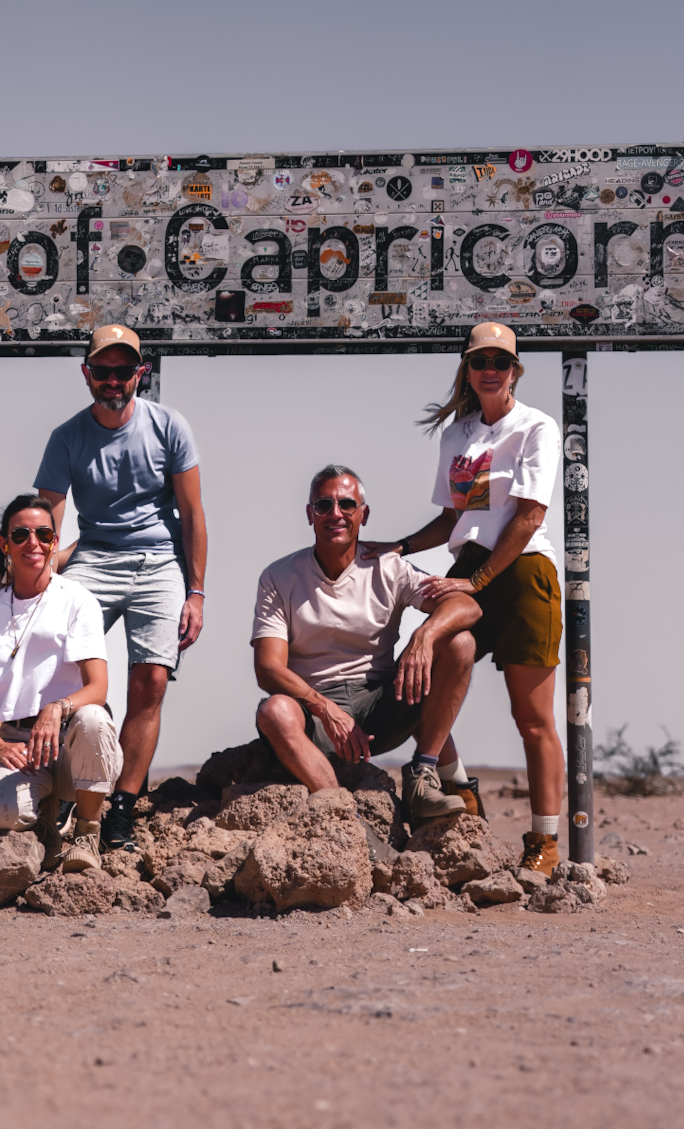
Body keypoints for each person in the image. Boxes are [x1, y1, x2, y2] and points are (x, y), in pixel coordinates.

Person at [363, 322, 564, 877]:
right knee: (420, 671)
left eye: (501, 361)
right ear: (467, 369)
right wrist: (401, 546)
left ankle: (544, 842)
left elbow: (528, 517)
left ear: (515, 370)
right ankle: (455, 786)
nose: (490, 370)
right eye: (480, 361)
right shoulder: (458, 435)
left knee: (532, 718)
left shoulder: (536, 427)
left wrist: (477, 582)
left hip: (522, 571)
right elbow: (455, 518)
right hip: (468, 568)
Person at [35, 324, 206, 852]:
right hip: (94, 557)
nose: (113, 379)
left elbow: (193, 514)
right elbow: (47, 524)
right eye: (102, 370)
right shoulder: (66, 437)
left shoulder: (169, 426)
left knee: (150, 680)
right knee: (58, 659)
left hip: (159, 561)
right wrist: (31, 581)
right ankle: (67, 787)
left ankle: (122, 809)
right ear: (86, 374)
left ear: (140, 373)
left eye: (123, 370)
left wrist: (196, 592)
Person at [253, 465, 482, 825]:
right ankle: (348, 821)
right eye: (324, 505)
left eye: (347, 504)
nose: (335, 514)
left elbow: (467, 606)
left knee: (460, 643)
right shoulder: (279, 576)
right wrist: (325, 709)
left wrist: (424, 636)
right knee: (274, 711)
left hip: (380, 708)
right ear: (310, 515)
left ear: (364, 514)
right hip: (315, 717)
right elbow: (268, 668)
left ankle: (423, 778)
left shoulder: (388, 568)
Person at [0, 495, 123, 872]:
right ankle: (47, 824)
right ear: (5, 544)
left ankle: (87, 833)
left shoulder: (77, 600)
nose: (33, 543)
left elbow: (98, 687)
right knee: (3, 812)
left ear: (55, 542)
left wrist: (57, 708)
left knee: (94, 719)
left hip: (73, 741)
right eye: (21, 534)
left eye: (43, 534)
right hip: (18, 744)